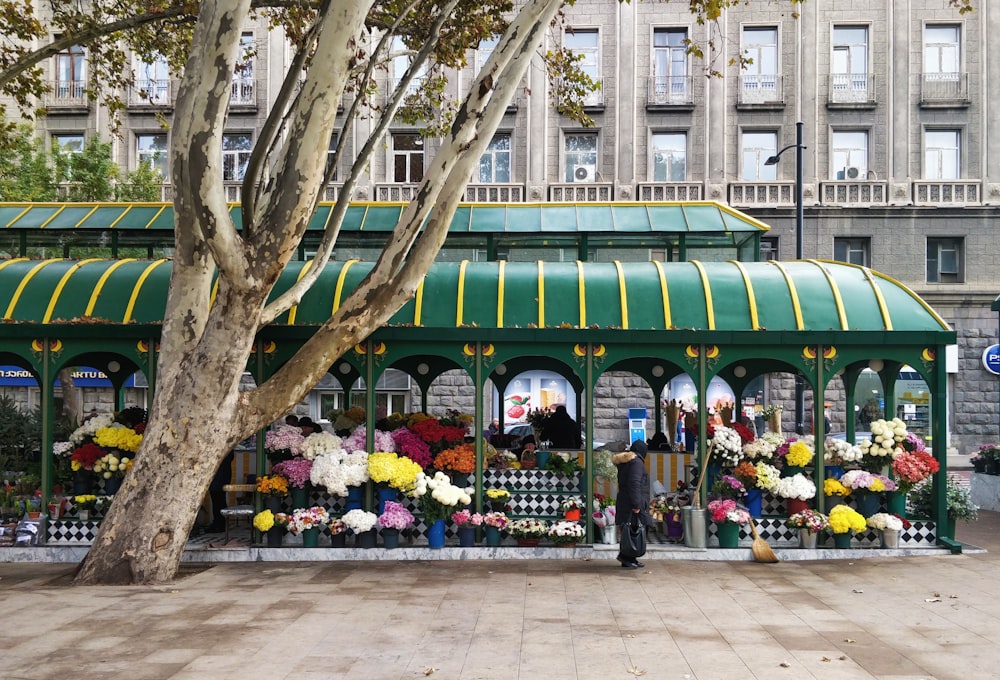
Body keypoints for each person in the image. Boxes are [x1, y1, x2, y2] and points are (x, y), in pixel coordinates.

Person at [612, 440, 653, 569]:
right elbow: (634, 484)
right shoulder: (637, 463)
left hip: (626, 501)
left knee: (630, 530)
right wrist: (637, 505)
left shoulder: (628, 462)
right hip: (633, 503)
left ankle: (630, 557)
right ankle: (626, 556)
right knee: (636, 529)